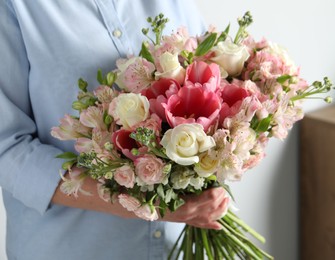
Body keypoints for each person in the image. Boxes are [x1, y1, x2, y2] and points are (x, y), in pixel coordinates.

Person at [0, 1, 229, 259]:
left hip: (179, 247)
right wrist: (143, 204)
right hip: (74, 248)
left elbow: (211, 79)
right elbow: (7, 148)